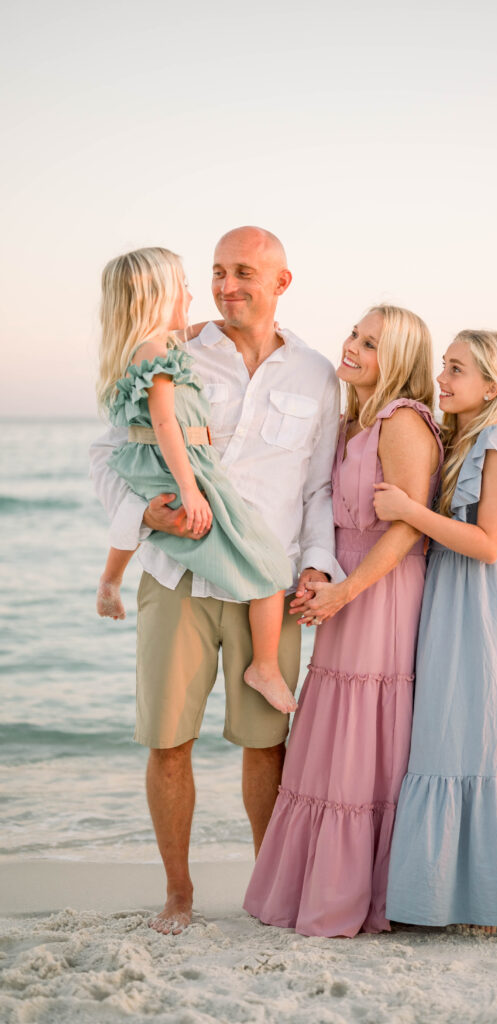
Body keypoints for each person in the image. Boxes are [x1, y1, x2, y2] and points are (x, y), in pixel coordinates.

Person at [90, 227, 341, 934]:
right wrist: (144, 512)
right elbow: (110, 456)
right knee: (167, 742)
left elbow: (318, 488)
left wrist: (318, 564)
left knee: (267, 743)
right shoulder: (173, 347)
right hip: (178, 573)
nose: (227, 287)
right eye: (216, 273)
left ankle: (268, 889)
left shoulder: (317, 374)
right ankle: (179, 894)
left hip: (270, 585)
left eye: (243, 274)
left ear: (281, 282)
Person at [243, 305, 443, 937]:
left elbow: (409, 527)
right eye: (355, 334)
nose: (351, 347)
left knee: (367, 736)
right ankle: (323, 889)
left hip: (382, 592)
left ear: (400, 361)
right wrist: (318, 574)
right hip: (346, 589)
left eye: (371, 344)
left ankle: (364, 896)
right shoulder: (352, 419)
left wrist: (348, 589)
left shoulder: (402, 423)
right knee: (334, 738)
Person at [374, 329, 497, 931]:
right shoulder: (458, 438)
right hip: (446, 597)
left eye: (457, 370)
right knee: (442, 734)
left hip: (476, 603)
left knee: (476, 736)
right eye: (444, 366)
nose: (442, 378)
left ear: (491, 388)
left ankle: (490, 899)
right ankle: (440, 895)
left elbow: (487, 544)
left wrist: (409, 512)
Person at [95, 246, 296, 716]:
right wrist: (190, 486)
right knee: (270, 567)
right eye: (183, 284)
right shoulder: (154, 350)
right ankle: (263, 666)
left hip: (168, 461)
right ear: (156, 295)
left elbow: (188, 336)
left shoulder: (159, 345)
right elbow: (166, 425)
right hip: (182, 463)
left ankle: (110, 579)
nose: (193, 292)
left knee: (155, 519)